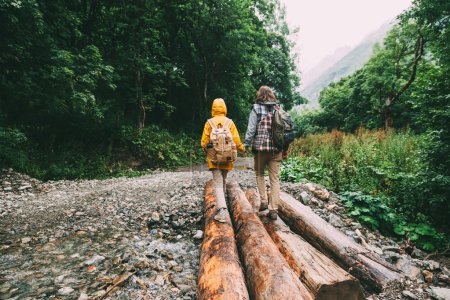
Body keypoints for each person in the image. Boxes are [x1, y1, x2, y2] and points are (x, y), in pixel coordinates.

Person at [244, 86, 286, 220]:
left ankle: (263, 202)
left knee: (260, 173)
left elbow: (251, 130)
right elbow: (286, 130)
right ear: (271, 95)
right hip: (277, 148)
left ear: (260, 95)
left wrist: (246, 145)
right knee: (275, 179)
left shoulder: (256, 108)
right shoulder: (279, 108)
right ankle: (274, 209)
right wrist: (285, 148)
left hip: (261, 149)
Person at [201, 98, 245, 222]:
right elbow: (236, 141)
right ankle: (224, 207)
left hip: (214, 159)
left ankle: (221, 211)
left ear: (213, 109)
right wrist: (242, 149)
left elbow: (203, 142)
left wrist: (209, 153)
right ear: (224, 108)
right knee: (223, 180)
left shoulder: (209, 123)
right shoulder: (229, 122)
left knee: (218, 183)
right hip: (227, 158)